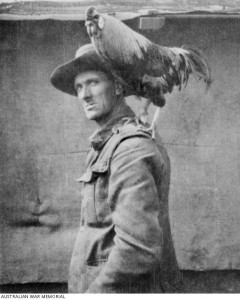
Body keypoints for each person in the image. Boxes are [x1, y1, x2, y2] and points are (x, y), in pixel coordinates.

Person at [50, 44, 181, 293]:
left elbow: (138, 250)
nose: (84, 95)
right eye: (79, 87)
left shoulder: (129, 148)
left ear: (119, 86)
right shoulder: (108, 142)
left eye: (93, 82)